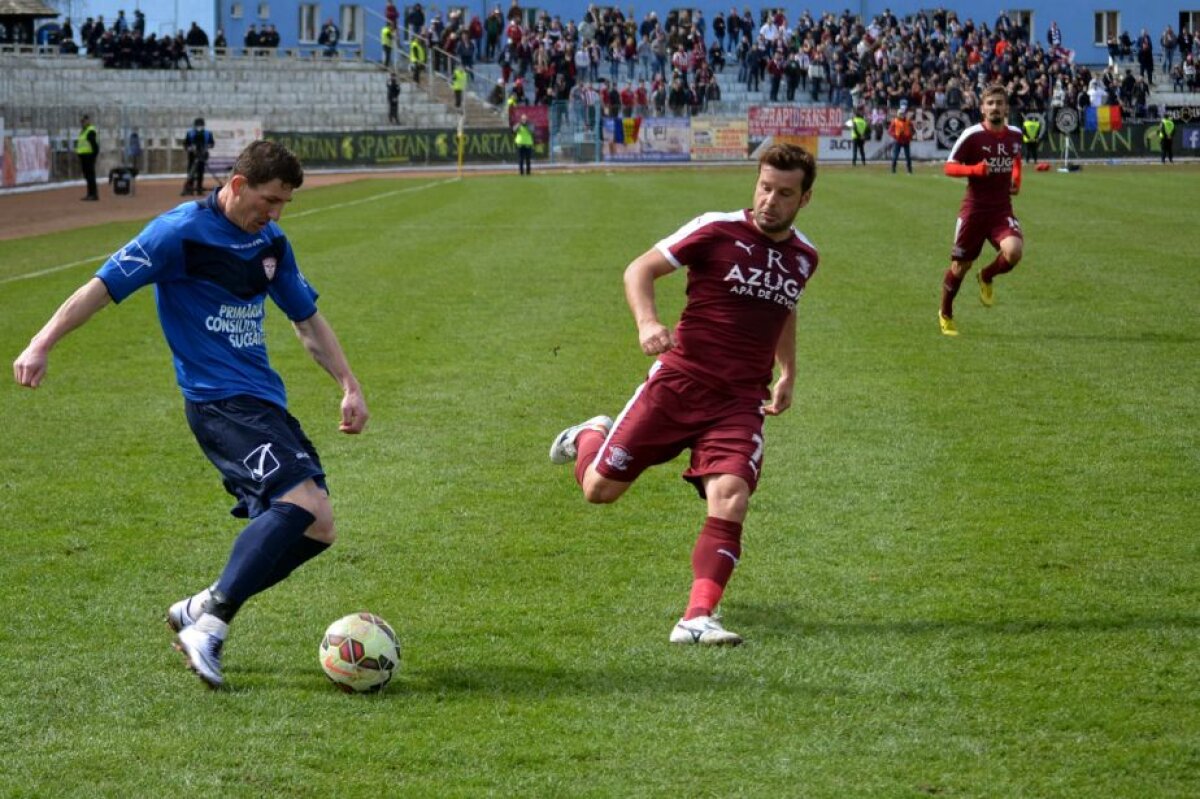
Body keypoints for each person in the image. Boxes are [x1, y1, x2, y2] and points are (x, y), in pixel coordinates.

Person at [12, 141, 369, 688]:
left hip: (261, 400)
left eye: (283, 205)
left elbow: (307, 321)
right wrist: (41, 343)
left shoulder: (271, 243)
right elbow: (102, 288)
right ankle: (210, 626)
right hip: (218, 401)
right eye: (269, 200)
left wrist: (348, 383)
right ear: (237, 185)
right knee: (300, 502)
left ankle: (197, 606)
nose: (274, 214)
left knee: (318, 527)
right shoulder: (178, 233)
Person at [548, 143, 820, 646]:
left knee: (731, 495)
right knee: (599, 491)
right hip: (678, 383)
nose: (770, 201)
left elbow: (784, 310)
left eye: (784, 193)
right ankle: (591, 432)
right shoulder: (716, 228)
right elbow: (640, 268)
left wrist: (788, 373)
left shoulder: (805, 257)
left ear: (804, 199)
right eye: (764, 187)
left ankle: (697, 617)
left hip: (740, 400)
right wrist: (648, 322)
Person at [938, 85, 1024, 337]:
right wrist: (975, 170)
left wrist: (1016, 180)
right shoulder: (972, 135)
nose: (995, 107)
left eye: (999, 103)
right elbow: (949, 167)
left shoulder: (1015, 135)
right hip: (974, 211)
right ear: (983, 108)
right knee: (959, 267)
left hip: (1000, 210)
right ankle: (945, 312)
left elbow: (1016, 160)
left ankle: (986, 275)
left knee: (1014, 252)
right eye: (991, 103)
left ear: (1006, 107)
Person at [182, 117, 215, 196]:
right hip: (192, 156)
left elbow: (212, 143)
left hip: (202, 155)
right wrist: (190, 148)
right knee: (191, 172)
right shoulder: (190, 133)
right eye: (198, 125)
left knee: (200, 172)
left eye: (201, 125)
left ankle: (199, 188)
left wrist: (207, 146)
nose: (199, 127)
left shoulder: (208, 133)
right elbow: (186, 144)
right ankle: (190, 188)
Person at [76, 114, 99, 201]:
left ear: (88, 121)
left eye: (84, 121)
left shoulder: (90, 131)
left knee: (90, 176)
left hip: (88, 156)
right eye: (81, 122)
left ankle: (93, 194)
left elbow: (95, 146)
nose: (82, 123)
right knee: (87, 176)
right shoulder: (83, 131)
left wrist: (93, 157)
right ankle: (90, 194)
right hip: (84, 157)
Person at [888, 105, 914, 174]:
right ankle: (893, 170)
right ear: (898, 114)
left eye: (903, 114)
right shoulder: (895, 121)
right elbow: (890, 131)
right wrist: (895, 136)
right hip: (898, 140)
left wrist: (910, 136)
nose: (902, 115)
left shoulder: (908, 121)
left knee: (908, 156)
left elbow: (912, 130)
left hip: (906, 140)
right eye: (901, 114)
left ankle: (909, 170)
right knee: (895, 156)